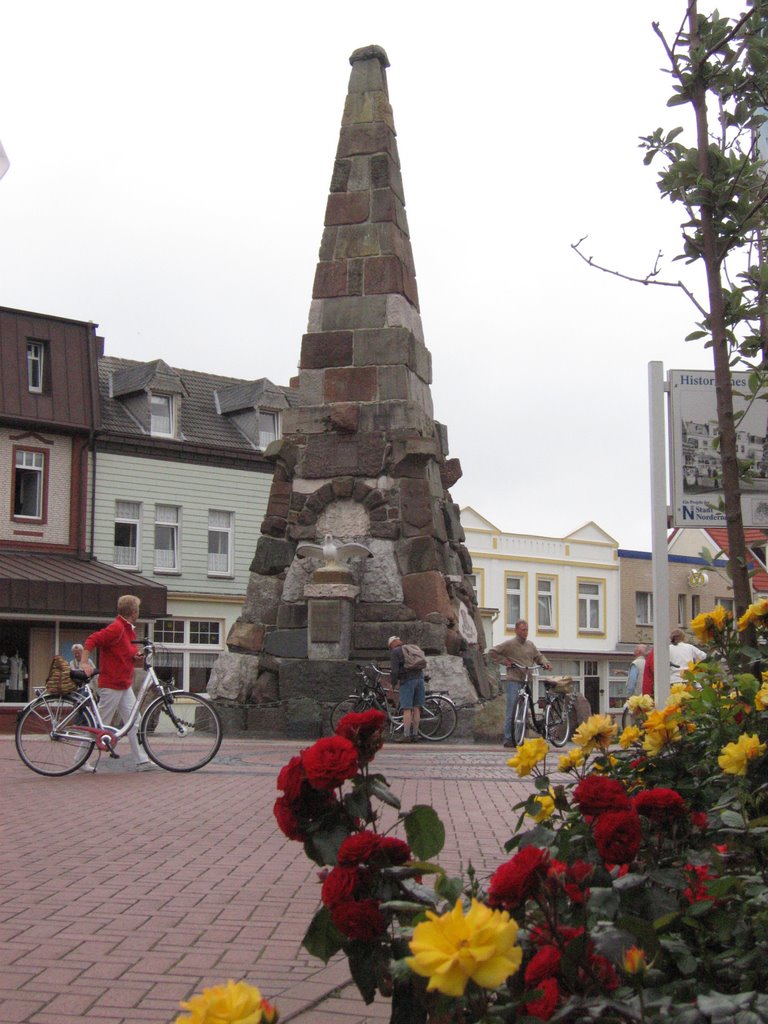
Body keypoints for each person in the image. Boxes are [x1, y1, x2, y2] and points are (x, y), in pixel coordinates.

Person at [81, 594, 158, 771]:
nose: (139, 612)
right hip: (112, 684)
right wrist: (85, 662)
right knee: (100, 724)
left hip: (124, 685)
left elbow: (124, 654)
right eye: (138, 609)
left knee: (134, 721)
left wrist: (136, 656)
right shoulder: (117, 628)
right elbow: (93, 640)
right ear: (133, 611)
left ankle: (142, 760)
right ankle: (81, 760)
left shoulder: (127, 630)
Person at [489, 619, 551, 749]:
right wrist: (505, 662)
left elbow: (538, 656)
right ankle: (508, 739)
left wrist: (545, 662)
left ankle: (520, 737)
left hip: (526, 680)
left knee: (524, 712)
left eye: (527, 629)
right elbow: (492, 652)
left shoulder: (530, 645)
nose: (525, 632)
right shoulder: (510, 644)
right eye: (523, 630)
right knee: (511, 710)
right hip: (514, 680)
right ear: (516, 630)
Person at [388, 636, 425, 743]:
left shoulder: (396, 651)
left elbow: (394, 671)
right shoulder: (411, 648)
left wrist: (393, 684)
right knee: (417, 708)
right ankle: (415, 734)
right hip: (420, 678)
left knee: (407, 709)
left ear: (392, 644)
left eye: (390, 647)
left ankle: (406, 735)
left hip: (407, 681)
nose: (391, 649)